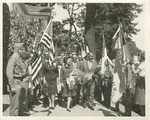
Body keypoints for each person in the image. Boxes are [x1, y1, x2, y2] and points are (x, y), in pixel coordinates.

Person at [6, 43, 28, 116]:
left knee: (20, 104)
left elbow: (19, 70)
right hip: (15, 82)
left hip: (20, 81)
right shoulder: (13, 58)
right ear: (18, 50)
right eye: (23, 49)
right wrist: (12, 86)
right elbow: (9, 72)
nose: (24, 51)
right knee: (15, 106)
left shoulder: (19, 58)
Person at [131, 52, 145, 116]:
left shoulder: (143, 64)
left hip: (141, 82)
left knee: (141, 100)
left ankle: (143, 114)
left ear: (142, 57)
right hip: (143, 82)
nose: (138, 57)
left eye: (139, 56)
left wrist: (132, 66)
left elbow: (135, 72)